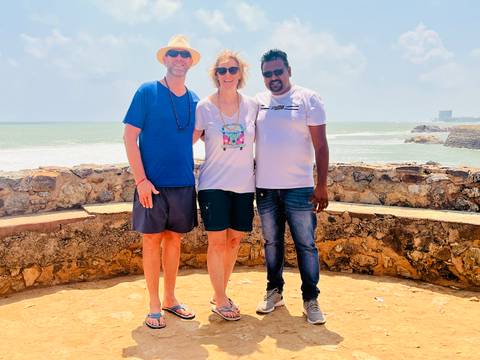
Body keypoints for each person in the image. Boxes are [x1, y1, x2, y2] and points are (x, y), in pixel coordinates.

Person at [122, 35, 200, 329]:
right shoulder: (147, 91)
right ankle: (153, 304)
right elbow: (130, 136)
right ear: (165, 59)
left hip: (182, 183)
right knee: (151, 241)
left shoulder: (195, 100)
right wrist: (141, 180)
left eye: (184, 55)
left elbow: (195, 136)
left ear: (190, 62)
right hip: (151, 185)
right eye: (174, 54)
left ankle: (170, 298)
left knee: (174, 241)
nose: (179, 59)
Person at [254, 49, 329, 325]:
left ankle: (311, 299)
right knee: (272, 243)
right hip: (265, 188)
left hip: (300, 188)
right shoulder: (257, 102)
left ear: (289, 70)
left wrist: (321, 184)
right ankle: (274, 291)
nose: (273, 78)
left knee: (306, 245)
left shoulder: (308, 98)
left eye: (278, 72)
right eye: (267, 74)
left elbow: (320, 146)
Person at [193, 50, 257, 321]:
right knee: (217, 243)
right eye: (222, 70)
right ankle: (220, 299)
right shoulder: (204, 107)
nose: (227, 75)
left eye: (232, 70)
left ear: (240, 73)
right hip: (213, 184)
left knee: (234, 241)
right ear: (215, 75)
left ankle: (220, 291)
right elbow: (186, 142)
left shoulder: (253, 105)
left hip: (244, 185)